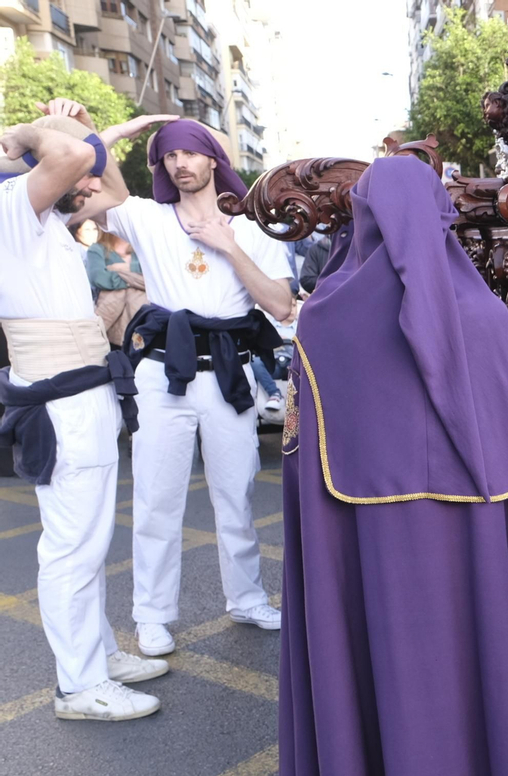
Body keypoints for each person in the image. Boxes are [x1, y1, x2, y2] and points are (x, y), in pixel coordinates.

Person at [276, 155, 508, 776]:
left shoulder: (326, 320)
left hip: (370, 564)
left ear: (363, 218)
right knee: (485, 681)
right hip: (472, 558)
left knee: (374, 688)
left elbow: (301, 462)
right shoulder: (484, 318)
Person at [0, 99, 176, 721]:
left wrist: (96, 135)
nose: (88, 182)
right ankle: (78, 685)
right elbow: (71, 158)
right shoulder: (10, 211)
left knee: (90, 542)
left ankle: (98, 654)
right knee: (72, 548)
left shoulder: (47, 219)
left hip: (83, 392)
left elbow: (113, 190)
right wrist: (26, 131)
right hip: (61, 403)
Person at [106, 120, 294, 656]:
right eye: (168, 156)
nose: (180, 163)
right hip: (162, 374)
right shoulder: (146, 216)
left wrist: (228, 246)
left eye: (191, 152)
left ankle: (248, 599)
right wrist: (130, 128)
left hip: (228, 376)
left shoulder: (254, 226)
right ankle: (152, 614)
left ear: (214, 158)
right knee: (156, 499)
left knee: (236, 494)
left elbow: (280, 305)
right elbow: (91, 170)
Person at [86, 230, 145, 348]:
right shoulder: (97, 250)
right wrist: (136, 280)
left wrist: (125, 268)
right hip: (111, 320)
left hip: (140, 320)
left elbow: (155, 276)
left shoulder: (142, 249)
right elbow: (99, 278)